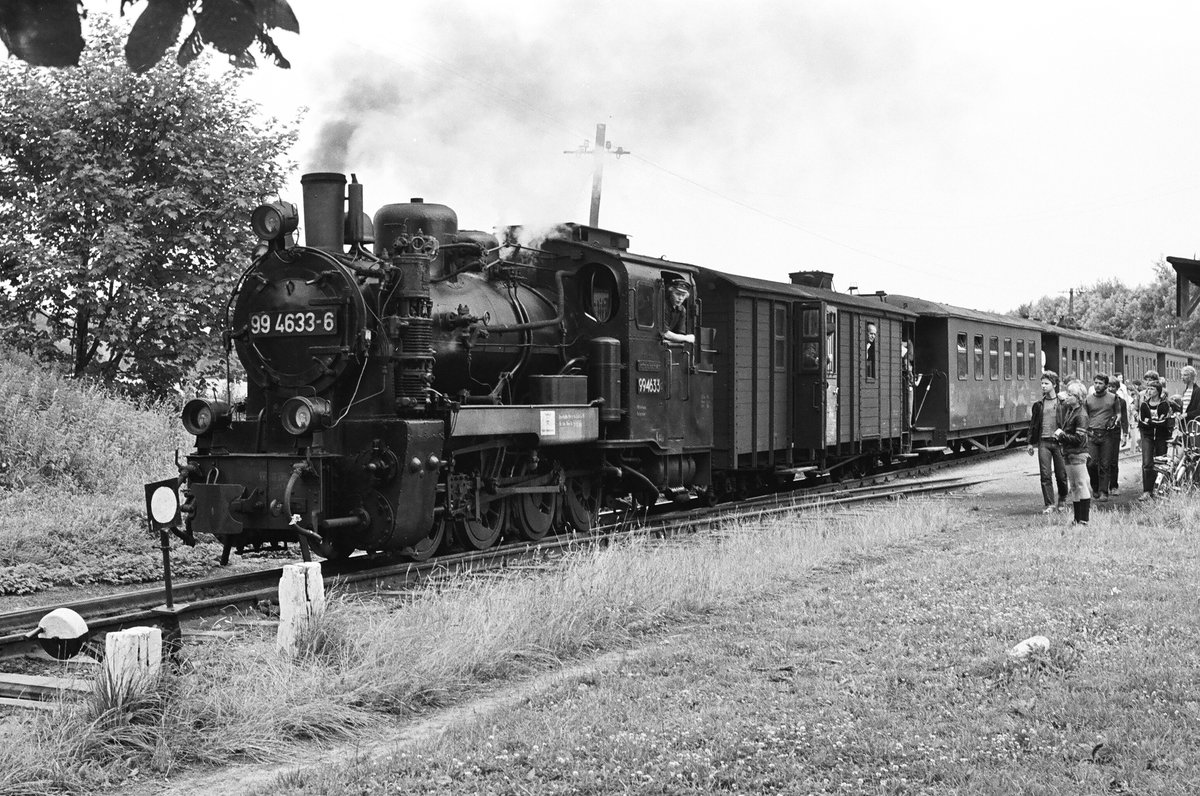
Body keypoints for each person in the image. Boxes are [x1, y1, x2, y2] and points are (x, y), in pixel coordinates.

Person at [1026, 370, 1068, 514]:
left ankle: (1062, 498)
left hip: (1059, 443)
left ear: (1054, 385)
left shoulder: (1062, 403)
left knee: (1061, 475)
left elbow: (1068, 422)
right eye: (1042, 383)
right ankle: (1049, 504)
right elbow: (1033, 424)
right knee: (1045, 474)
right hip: (1043, 442)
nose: (1043, 386)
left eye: (1046, 383)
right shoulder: (1038, 405)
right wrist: (1030, 443)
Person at [1056, 380, 1091, 525]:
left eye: (1070, 394)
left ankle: (1084, 520)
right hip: (1069, 452)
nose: (1066, 396)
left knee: (1081, 484)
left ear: (1078, 397)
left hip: (1077, 453)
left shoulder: (1081, 415)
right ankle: (1077, 519)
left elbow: (1079, 438)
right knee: (1075, 486)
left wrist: (1062, 436)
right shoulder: (1071, 411)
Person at [1084, 374, 1119, 501]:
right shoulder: (1088, 399)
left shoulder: (1113, 398)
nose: (1097, 385)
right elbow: (1085, 416)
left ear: (1105, 385)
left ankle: (1104, 492)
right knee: (1091, 463)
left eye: (1100, 383)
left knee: (1105, 464)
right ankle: (1095, 486)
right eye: (1095, 382)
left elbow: (1118, 413)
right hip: (1092, 434)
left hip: (1107, 434)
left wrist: (1114, 421)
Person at [1137, 381, 1171, 500]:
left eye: (1152, 389)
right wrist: (1154, 422)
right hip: (1148, 436)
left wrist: (1151, 421)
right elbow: (1142, 422)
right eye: (1148, 388)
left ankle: (1159, 489)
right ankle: (1147, 490)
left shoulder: (1164, 405)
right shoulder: (1144, 405)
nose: (1149, 391)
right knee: (1147, 463)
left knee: (1161, 463)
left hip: (1161, 437)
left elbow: (1164, 422)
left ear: (1158, 391)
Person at [1106, 376, 1130, 494]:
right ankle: (1103, 486)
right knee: (1102, 460)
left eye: (1113, 387)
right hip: (1103, 432)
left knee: (1113, 460)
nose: (1110, 389)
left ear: (1117, 388)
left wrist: (1125, 434)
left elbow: (1124, 418)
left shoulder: (1121, 402)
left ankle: (1113, 486)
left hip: (1115, 432)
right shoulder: (1102, 400)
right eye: (1108, 386)